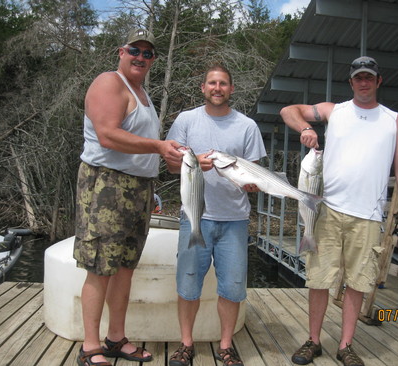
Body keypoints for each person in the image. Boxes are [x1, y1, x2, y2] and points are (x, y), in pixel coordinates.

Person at [280, 56, 398, 366]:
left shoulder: (393, 119)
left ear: (378, 81)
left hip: (368, 216)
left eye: (369, 77)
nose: (364, 82)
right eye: (358, 77)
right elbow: (288, 110)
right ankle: (313, 341)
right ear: (351, 82)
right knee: (318, 279)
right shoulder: (334, 111)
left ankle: (345, 346)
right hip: (325, 211)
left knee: (357, 282)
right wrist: (306, 129)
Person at [73, 28, 182, 366]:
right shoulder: (109, 83)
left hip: (138, 188)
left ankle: (115, 338)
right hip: (107, 185)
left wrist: (153, 176)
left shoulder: (142, 94)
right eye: (135, 50)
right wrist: (159, 147)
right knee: (100, 267)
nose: (141, 57)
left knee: (123, 268)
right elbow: (107, 135)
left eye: (148, 54)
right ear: (121, 51)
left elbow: (139, 146)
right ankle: (90, 346)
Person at [165, 64, 266, 366]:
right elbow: (171, 165)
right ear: (203, 88)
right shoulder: (186, 120)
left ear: (231, 89)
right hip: (194, 217)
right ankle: (186, 344)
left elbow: (254, 176)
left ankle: (226, 346)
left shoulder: (247, 126)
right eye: (212, 83)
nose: (217, 88)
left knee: (233, 288)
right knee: (188, 284)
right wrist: (192, 162)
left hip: (235, 220)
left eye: (223, 83)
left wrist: (252, 184)